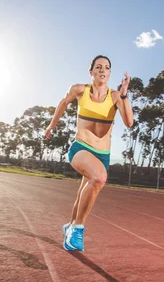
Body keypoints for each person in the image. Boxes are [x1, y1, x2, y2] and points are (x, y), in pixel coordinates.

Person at [45, 55, 133, 252]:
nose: (103, 70)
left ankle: (69, 225)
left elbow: (129, 122)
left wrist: (125, 95)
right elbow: (63, 102)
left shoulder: (115, 97)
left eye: (107, 67)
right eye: (99, 67)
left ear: (110, 73)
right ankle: (77, 229)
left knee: (83, 193)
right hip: (81, 148)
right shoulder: (79, 90)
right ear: (91, 71)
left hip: (102, 155)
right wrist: (51, 126)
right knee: (99, 178)